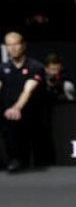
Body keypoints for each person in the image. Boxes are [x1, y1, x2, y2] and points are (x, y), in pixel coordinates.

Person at [1, 31, 46, 172]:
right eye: (9, 45)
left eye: (16, 44)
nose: (13, 48)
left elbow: (28, 90)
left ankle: (18, 160)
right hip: (7, 111)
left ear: (23, 45)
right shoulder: (2, 68)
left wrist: (17, 108)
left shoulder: (35, 66)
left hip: (29, 112)